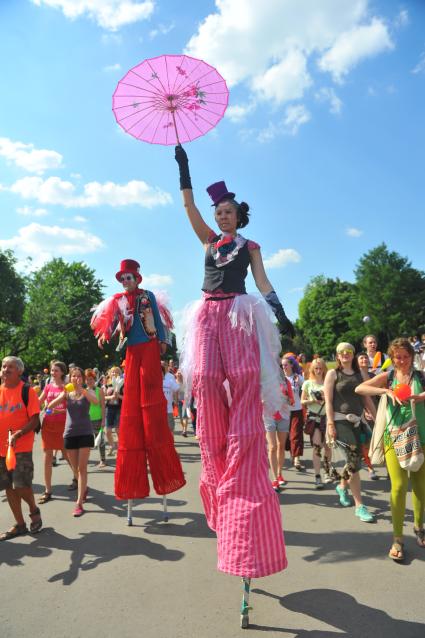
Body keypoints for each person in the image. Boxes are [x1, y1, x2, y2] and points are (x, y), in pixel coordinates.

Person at [175, 144, 293, 578]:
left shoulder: (251, 245)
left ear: (238, 215)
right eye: (217, 211)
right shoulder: (208, 240)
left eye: (227, 211)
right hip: (208, 311)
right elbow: (188, 206)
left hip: (240, 310)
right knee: (204, 378)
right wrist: (184, 167)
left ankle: (245, 451)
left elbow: (261, 280)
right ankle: (215, 455)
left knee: (244, 376)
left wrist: (280, 312)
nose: (221, 216)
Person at [91, 259, 185, 499]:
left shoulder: (147, 296)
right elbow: (111, 322)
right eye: (122, 278)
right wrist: (105, 335)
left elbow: (158, 320)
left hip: (150, 346)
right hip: (132, 350)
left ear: (137, 278)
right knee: (132, 394)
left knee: (151, 388)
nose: (125, 281)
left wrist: (163, 341)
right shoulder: (118, 300)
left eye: (128, 277)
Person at [355, 337, 425, 561]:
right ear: (392, 358)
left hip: (421, 436)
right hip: (394, 437)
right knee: (398, 486)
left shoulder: (421, 377)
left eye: (406, 357)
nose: (402, 361)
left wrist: (421, 396)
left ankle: (419, 527)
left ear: (412, 357)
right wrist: (386, 392)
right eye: (398, 357)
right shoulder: (390, 376)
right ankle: (397, 539)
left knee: (420, 486)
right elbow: (360, 388)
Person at [324, 343, 376, 523]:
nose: (345, 354)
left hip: (359, 422)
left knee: (356, 459)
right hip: (339, 422)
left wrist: (377, 420)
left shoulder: (359, 374)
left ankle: (342, 486)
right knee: (354, 461)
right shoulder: (333, 374)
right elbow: (328, 401)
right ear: (337, 356)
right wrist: (330, 423)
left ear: (353, 354)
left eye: (348, 352)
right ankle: (359, 505)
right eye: (341, 352)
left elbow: (366, 397)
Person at [0, 356, 42, 539]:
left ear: (19, 371)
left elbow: (35, 420)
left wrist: (19, 433)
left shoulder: (27, 391)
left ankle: (33, 509)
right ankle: (20, 524)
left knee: (21, 485)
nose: (5, 370)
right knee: (9, 487)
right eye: (3, 366)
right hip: (2, 449)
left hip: (21, 447)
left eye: (10, 367)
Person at [48, 367, 99, 516]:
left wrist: (82, 390)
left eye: (78, 376)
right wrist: (62, 395)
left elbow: (95, 402)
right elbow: (50, 406)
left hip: (85, 433)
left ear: (82, 379)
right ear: (69, 379)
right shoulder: (67, 394)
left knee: (82, 468)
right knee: (76, 469)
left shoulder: (87, 392)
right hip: (70, 434)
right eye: (73, 376)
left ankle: (79, 503)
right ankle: (83, 488)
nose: (75, 379)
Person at [37, 360, 74, 503]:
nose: (53, 373)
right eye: (52, 370)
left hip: (62, 424)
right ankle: (48, 490)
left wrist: (56, 409)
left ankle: (78, 478)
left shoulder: (67, 388)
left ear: (62, 372)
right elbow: (39, 401)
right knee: (47, 456)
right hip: (48, 425)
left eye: (56, 370)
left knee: (67, 454)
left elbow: (72, 406)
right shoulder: (48, 387)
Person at [301, 358, 333, 489]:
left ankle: (327, 471)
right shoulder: (308, 383)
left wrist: (326, 398)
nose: (318, 371)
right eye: (316, 368)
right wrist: (312, 401)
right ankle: (317, 476)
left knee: (328, 447)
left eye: (320, 368)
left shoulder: (329, 382)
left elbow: (333, 400)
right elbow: (302, 402)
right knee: (317, 447)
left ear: (324, 368)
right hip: (314, 418)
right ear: (312, 369)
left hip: (327, 417)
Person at [264, 376, 293, 492]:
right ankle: (274, 478)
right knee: (272, 447)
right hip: (268, 416)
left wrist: (285, 398)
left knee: (281, 446)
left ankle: (279, 473)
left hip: (283, 416)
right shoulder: (263, 379)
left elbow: (291, 400)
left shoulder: (285, 381)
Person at [356, 352, 379, 480]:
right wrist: (365, 411)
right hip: (361, 412)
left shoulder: (372, 375)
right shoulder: (355, 376)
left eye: (366, 357)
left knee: (380, 439)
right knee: (366, 442)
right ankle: (370, 468)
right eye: (361, 358)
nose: (364, 359)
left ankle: (387, 467)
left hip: (375, 409)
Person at [282, 355, 305, 471]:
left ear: (291, 365)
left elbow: (306, 387)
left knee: (295, 434)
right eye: (282, 365)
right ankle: (291, 453)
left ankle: (296, 458)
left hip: (296, 410)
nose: (284, 367)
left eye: (286, 365)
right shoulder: (280, 379)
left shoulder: (297, 377)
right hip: (283, 411)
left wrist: (299, 380)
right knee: (285, 437)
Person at [86, 368, 107, 468]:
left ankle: (102, 460)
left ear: (94, 380)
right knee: (87, 441)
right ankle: (85, 460)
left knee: (100, 441)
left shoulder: (99, 391)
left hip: (98, 419)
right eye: (87, 379)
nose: (89, 381)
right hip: (86, 420)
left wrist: (103, 420)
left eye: (91, 379)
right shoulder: (84, 392)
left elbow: (103, 406)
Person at [104, 366, 123, 455]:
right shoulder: (107, 384)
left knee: (118, 430)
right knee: (107, 431)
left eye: (116, 372)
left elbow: (126, 398)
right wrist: (111, 397)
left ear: (120, 374)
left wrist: (118, 396)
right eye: (113, 372)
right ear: (110, 374)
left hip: (118, 409)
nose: (114, 373)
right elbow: (103, 397)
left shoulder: (122, 384)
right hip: (109, 408)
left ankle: (120, 448)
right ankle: (112, 445)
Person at [162, 360, 180, 433]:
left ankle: (171, 443)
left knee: (170, 429)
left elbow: (176, 389)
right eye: (161, 366)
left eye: (164, 365)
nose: (162, 367)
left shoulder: (171, 377)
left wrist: (175, 401)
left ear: (167, 366)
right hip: (157, 408)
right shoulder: (155, 375)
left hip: (168, 407)